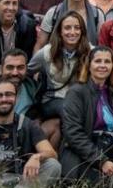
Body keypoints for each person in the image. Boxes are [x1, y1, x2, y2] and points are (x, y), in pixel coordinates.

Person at [59, 47, 113, 188]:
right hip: (85, 158)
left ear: (112, 66)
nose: (103, 65)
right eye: (98, 61)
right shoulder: (76, 93)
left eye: (107, 61)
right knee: (111, 186)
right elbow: (73, 133)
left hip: (112, 155)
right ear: (89, 65)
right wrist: (101, 161)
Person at [29, 11, 92, 149]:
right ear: (60, 32)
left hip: (79, 100)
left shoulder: (90, 52)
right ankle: (79, 145)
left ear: (82, 31)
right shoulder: (47, 53)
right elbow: (27, 71)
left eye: (77, 28)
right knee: (67, 108)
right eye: (67, 28)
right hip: (52, 101)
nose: (72, 32)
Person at [37, 0, 104, 48]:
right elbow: (40, 45)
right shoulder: (53, 13)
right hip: (58, 59)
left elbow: (102, 46)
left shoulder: (97, 15)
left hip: (88, 58)